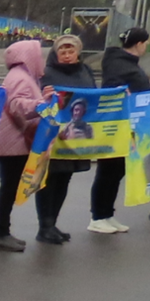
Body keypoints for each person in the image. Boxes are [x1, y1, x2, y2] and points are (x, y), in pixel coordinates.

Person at [90, 26, 150, 232]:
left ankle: (107, 214)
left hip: (129, 125)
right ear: (139, 44)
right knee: (107, 171)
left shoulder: (126, 63)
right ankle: (97, 217)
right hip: (115, 125)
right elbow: (113, 89)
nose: (147, 47)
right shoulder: (119, 64)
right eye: (146, 43)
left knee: (117, 171)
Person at [0, 39, 50, 251]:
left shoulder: (20, 76)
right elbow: (18, 105)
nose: (40, 59)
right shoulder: (21, 78)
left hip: (12, 141)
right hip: (13, 142)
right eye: (37, 55)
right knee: (9, 187)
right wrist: (40, 105)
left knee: (9, 186)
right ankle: (0, 233)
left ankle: (3, 231)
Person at [39, 34, 96, 238]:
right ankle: (44, 226)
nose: (66, 55)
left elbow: (95, 95)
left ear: (78, 53)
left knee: (65, 178)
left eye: (70, 51)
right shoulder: (47, 73)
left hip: (78, 137)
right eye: (62, 51)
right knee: (50, 179)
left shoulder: (85, 71)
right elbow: (40, 98)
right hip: (55, 135)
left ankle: (53, 223)